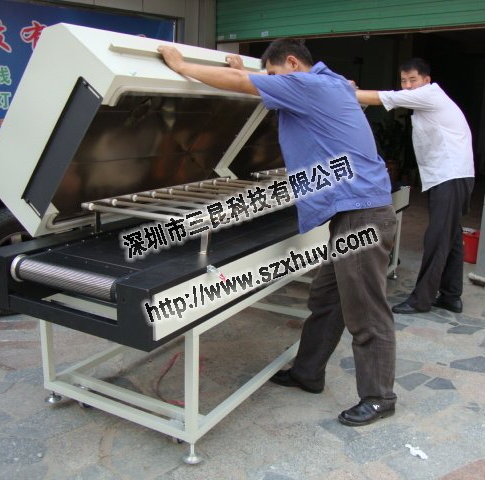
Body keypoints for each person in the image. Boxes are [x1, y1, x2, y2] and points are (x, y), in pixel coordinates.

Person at [158, 39, 398, 426]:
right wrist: (248, 73)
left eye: (273, 75)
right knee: (327, 299)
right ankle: (308, 373)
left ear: (292, 63)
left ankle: (379, 397)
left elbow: (243, 86)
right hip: (356, 210)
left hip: (361, 214)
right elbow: (253, 85)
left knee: (366, 311)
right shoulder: (330, 83)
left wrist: (182, 65)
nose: (272, 82)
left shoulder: (309, 85)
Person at [355, 58, 475, 315]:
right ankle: (451, 296)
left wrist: (344, 92)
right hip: (448, 176)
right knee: (451, 237)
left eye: (413, 80)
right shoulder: (425, 101)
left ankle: (421, 300)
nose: (408, 86)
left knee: (437, 239)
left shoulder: (429, 95)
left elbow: (384, 97)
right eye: (404, 81)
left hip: (451, 176)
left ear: (426, 80)